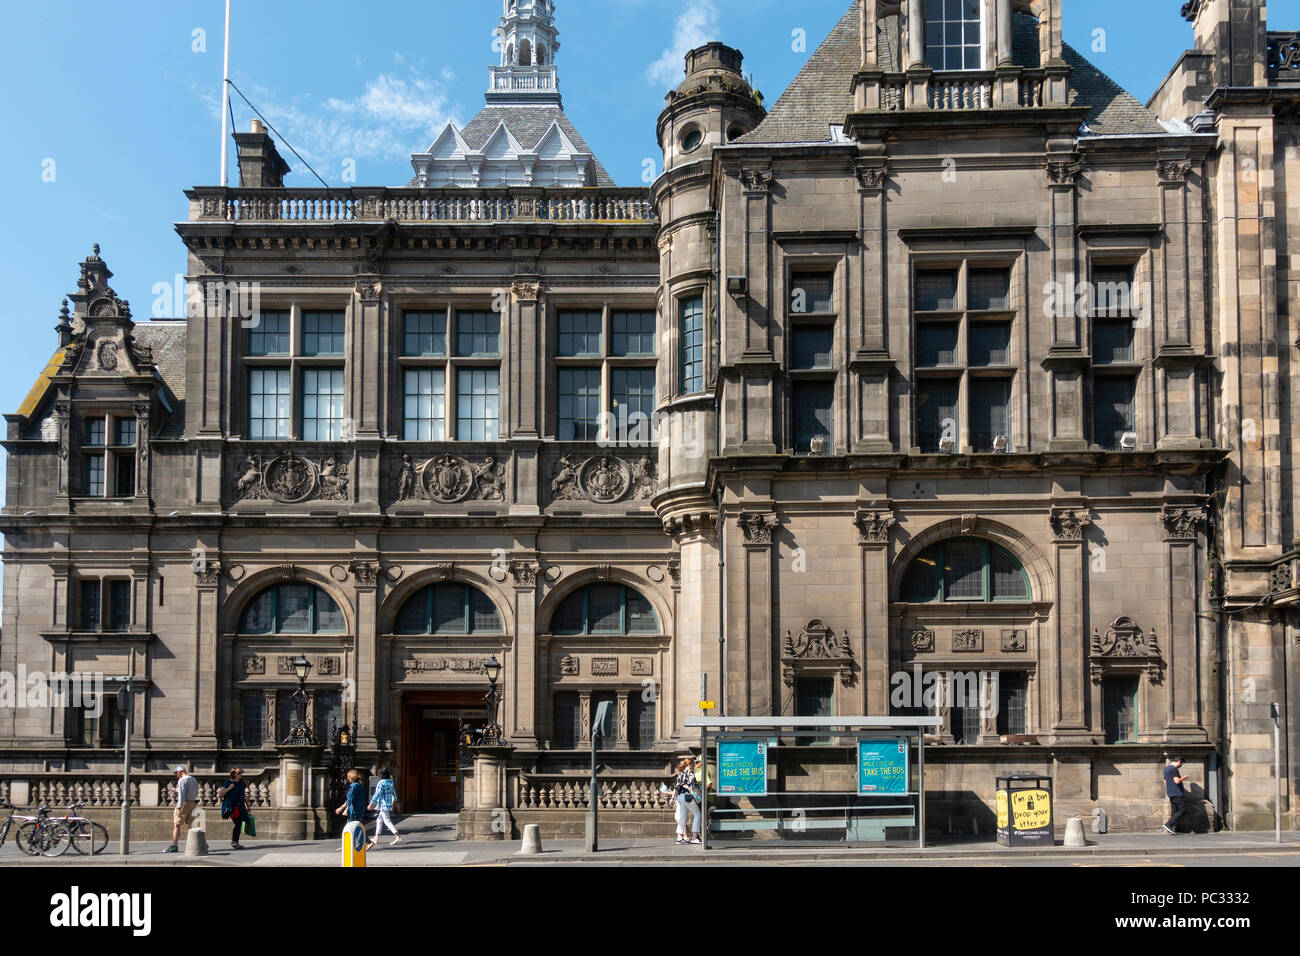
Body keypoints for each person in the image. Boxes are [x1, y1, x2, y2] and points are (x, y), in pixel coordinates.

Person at [165, 766, 198, 853]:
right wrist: (178, 790)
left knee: (177, 824)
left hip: (184, 804)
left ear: (180, 771)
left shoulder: (182, 780)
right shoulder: (193, 779)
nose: (176, 775)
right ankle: (196, 843)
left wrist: (179, 808)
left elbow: (182, 795)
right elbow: (193, 792)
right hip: (192, 803)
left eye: (176, 773)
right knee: (191, 825)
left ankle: (174, 845)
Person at [367, 769, 401, 850]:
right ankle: (376, 837)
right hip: (388, 804)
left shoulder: (381, 783)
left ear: (381, 775)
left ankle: (397, 836)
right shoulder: (390, 782)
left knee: (387, 821)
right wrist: (395, 800)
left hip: (383, 805)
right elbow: (394, 793)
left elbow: (376, 794)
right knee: (379, 820)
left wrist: (371, 804)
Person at [218, 768, 250, 850]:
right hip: (232, 806)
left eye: (241, 773)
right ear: (234, 774)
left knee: (243, 821)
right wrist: (229, 788)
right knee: (238, 823)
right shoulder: (227, 782)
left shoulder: (241, 783)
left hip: (240, 806)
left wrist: (248, 806)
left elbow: (244, 795)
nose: (241, 774)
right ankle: (235, 842)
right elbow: (220, 795)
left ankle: (235, 841)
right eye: (239, 773)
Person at [671, 757, 702, 845]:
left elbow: (676, 788)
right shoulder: (690, 774)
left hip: (679, 797)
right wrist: (701, 795)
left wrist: (672, 799)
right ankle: (695, 837)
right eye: (693, 764)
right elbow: (694, 787)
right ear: (690, 764)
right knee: (698, 814)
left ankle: (680, 837)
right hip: (687, 797)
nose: (694, 766)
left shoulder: (680, 774)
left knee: (683, 817)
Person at [335, 769, 367, 849]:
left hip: (355, 810)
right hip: (359, 809)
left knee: (349, 827)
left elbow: (350, 799)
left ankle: (347, 845)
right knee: (357, 826)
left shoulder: (354, 786)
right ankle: (368, 842)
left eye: (348, 776)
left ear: (351, 777)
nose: (347, 778)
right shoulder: (359, 785)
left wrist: (341, 808)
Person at [1162, 756, 1190, 834]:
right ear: (1179, 761)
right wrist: (1183, 778)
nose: (1181, 766)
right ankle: (1168, 824)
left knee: (1175, 811)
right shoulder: (1174, 769)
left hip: (1170, 792)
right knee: (1184, 810)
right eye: (1181, 764)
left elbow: (1165, 781)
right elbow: (1177, 781)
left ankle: (1174, 828)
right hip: (1177, 793)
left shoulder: (1166, 769)